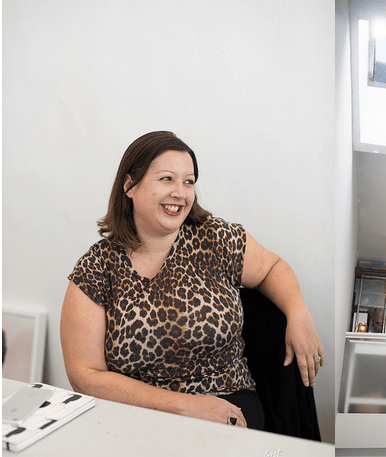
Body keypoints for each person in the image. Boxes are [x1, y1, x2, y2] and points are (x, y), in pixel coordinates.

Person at [60, 131, 324, 430]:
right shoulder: (97, 267)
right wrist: (185, 406)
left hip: (225, 398)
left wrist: (298, 312)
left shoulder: (216, 239)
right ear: (129, 185)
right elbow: (85, 376)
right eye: (167, 179)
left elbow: (272, 267)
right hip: (136, 414)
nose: (180, 193)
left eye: (189, 181)